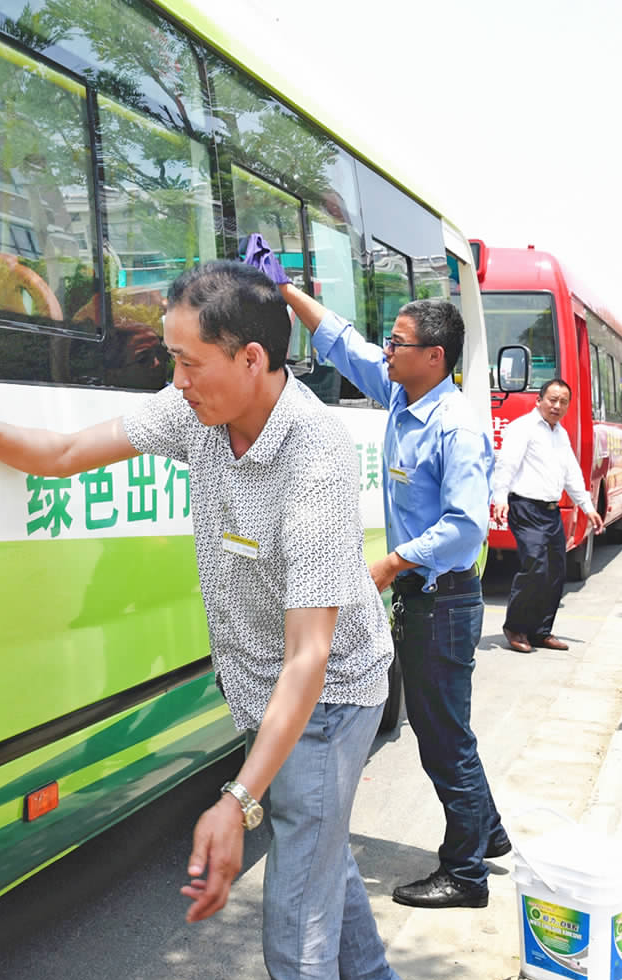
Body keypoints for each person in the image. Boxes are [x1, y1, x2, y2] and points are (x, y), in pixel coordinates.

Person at [0, 260, 407, 980]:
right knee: (316, 853)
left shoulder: (314, 458)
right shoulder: (197, 414)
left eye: (186, 362)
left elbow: (309, 655)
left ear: (251, 359)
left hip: (328, 698)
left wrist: (236, 800)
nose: (173, 379)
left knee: (294, 930)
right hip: (260, 690)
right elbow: (65, 452)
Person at [246, 237, 509, 916]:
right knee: (443, 726)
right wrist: (285, 292)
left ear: (433, 358)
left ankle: (466, 873)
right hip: (427, 599)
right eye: (388, 344)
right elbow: (340, 344)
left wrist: (390, 564)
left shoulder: (453, 425)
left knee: (441, 733)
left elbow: (465, 527)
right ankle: (489, 832)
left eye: (397, 343)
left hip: (443, 600)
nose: (384, 352)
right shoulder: (401, 394)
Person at [489, 380, 604, 653]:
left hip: (550, 511)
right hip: (526, 507)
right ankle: (515, 626)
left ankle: (541, 631)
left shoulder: (560, 435)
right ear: (538, 400)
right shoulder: (522, 428)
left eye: (563, 401)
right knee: (535, 567)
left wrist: (587, 507)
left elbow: (572, 474)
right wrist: (500, 497)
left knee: (555, 572)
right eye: (552, 399)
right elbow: (507, 464)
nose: (557, 406)